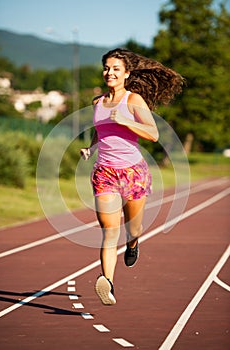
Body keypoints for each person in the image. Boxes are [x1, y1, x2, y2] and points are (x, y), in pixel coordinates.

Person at [80, 48, 184, 305]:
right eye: (106, 68)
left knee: (133, 227)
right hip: (104, 173)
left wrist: (126, 122)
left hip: (133, 173)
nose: (109, 72)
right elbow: (100, 130)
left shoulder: (133, 101)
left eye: (116, 69)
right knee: (109, 230)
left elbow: (153, 134)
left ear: (126, 74)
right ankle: (108, 283)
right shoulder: (98, 102)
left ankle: (133, 243)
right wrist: (91, 147)